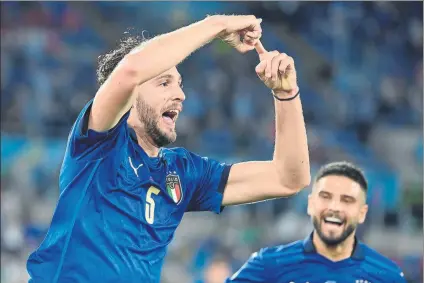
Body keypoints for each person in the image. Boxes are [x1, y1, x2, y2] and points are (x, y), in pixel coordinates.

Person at [26, 15, 311, 283]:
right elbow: (131, 71)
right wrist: (217, 25)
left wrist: (285, 93)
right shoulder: (98, 145)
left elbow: (288, 178)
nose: (180, 94)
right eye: (164, 83)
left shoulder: (183, 172)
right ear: (129, 97)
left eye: (180, 84)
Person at [227, 161, 407, 283]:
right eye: (326, 197)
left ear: (362, 213)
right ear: (310, 204)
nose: (334, 207)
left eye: (347, 200)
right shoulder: (268, 264)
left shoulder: (387, 275)